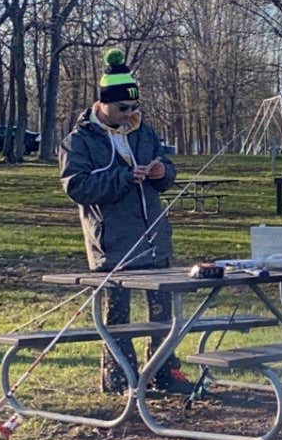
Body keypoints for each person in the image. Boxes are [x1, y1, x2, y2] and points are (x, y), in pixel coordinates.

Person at [60, 49, 191, 396]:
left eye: (134, 108)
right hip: (112, 245)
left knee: (164, 314)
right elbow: (77, 186)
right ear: (102, 104)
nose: (130, 114)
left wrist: (163, 173)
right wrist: (122, 177)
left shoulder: (142, 133)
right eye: (123, 109)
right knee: (117, 317)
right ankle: (120, 379)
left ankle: (164, 371)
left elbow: (164, 168)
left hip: (154, 240)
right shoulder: (78, 141)